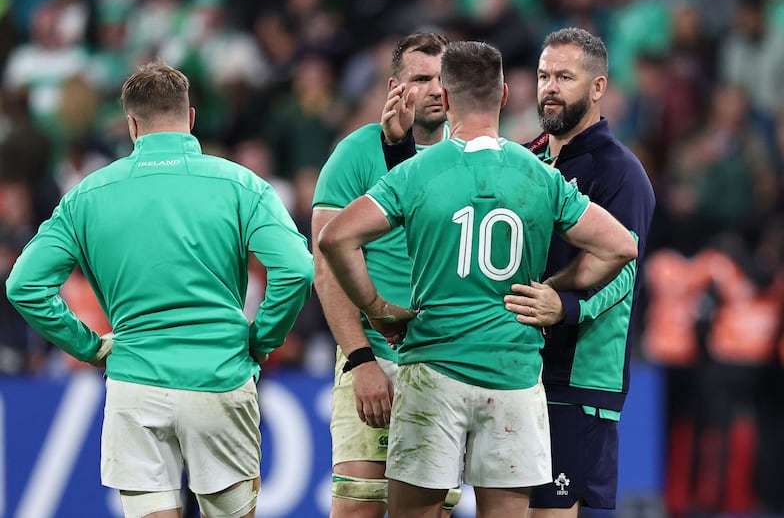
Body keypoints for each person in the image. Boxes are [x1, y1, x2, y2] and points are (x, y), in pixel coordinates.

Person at [317, 40, 639, 518]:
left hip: (436, 369)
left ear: (446, 99)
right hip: (513, 377)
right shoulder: (539, 174)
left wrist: (379, 309)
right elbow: (622, 247)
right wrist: (557, 288)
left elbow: (334, 239)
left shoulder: (418, 172)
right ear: (506, 96)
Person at [5, 62, 314, 518]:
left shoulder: (87, 194)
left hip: (135, 381)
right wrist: (261, 338)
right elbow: (297, 269)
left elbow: (24, 285)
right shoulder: (240, 184)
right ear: (190, 118)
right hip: (220, 376)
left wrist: (89, 347)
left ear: (131, 125)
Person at [504, 27, 656, 517]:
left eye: (565, 77)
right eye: (544, 74)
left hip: (578, 377)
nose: (549, 86)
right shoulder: (526, 158)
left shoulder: (619, 172)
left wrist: (564, 308)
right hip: (518, 368)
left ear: (597, 88)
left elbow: (626, 271)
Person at [310, 31, 462, 517]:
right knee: (358, 507)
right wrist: (360, 361)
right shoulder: (356, 154)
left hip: (448, 366)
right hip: (375, 359)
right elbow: (326, 269)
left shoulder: (473, 156)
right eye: (422, 79)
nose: (436, 88)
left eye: (444, 78)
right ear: (396, 87)